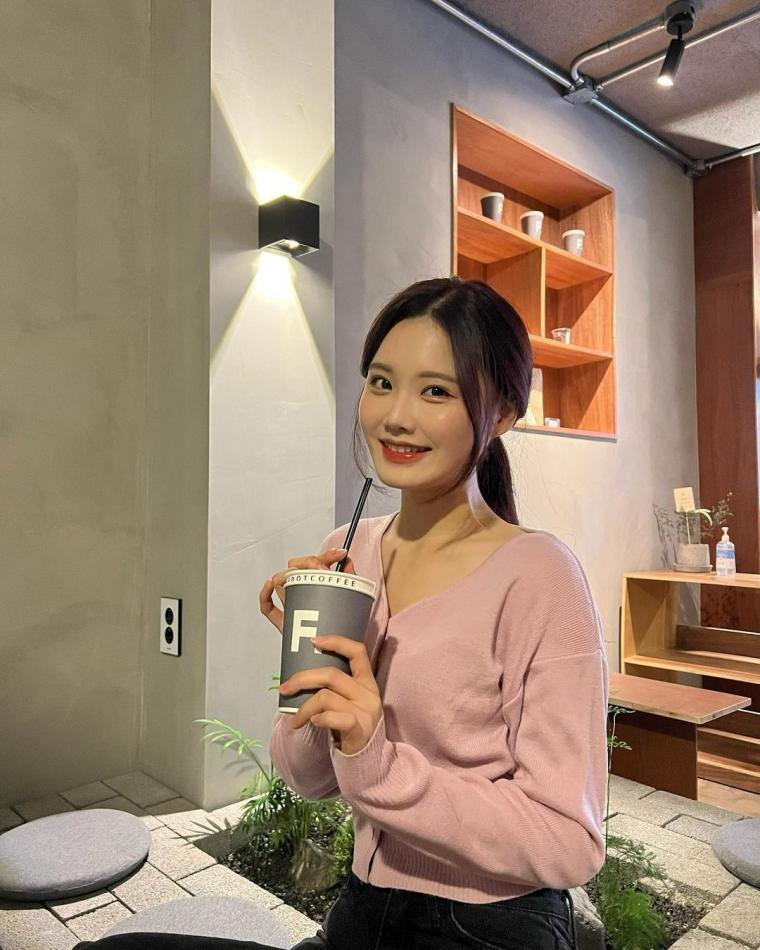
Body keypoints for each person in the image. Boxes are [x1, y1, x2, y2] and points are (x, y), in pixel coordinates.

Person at [261, 277, 610, 950]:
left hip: (489, 923)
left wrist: (379, 762)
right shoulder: (348, 552)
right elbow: (307, 779)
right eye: (381, 382)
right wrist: (311, 669)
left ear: (501, 413)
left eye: (436, 391)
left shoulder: (539, 576)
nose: (395, 416)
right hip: (364, 906)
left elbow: (569, 838)